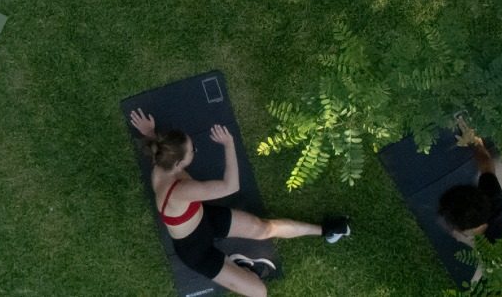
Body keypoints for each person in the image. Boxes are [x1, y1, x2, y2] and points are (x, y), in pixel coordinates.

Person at [128, 107, 348, 296]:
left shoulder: (161, 164)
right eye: (192, 151)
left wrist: (149, 132)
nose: (194, 150)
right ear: (177, 163)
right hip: (195, 250)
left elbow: (161, 149)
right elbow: (230, 186)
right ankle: (237, 265)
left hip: (205, 219)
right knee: (260, 292)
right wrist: (229, 144)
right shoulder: (182, 190)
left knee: (264, 228)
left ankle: (327, 229)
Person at [436, 117, 502, 283]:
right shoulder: (494, 199)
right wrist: (477, 143)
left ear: (462, 229)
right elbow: (486, 164)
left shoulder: (494, 258)